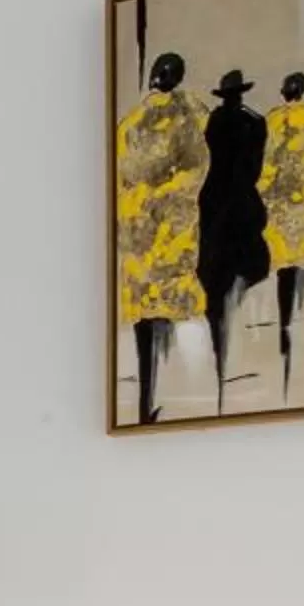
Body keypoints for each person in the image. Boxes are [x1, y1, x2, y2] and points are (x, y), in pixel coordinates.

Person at [116, 52, 207, 424]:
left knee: (148, 312)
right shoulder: (185, 115)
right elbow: (195, 167)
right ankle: (153, 396)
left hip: (140, 223)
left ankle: (147, 398)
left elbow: (122, 172)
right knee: (165, 311)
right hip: (163, 224)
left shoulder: (132, 122)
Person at [194, 69, 271, 412]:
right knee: (240, 269)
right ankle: (228, 343)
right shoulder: (255, 122)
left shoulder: (213, 121)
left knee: (215, 275)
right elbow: (255, 167)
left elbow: (209, 161)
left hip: (217, 199)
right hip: (240, 199)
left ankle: (219, 348)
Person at [259, 71, 304, 389]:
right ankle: (293, 317)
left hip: (281, 199)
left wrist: (263, 192)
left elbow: (267, 163)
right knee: (298, 261)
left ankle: (285, 322)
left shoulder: (273, 119)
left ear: (284, 91)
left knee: (283, 262)